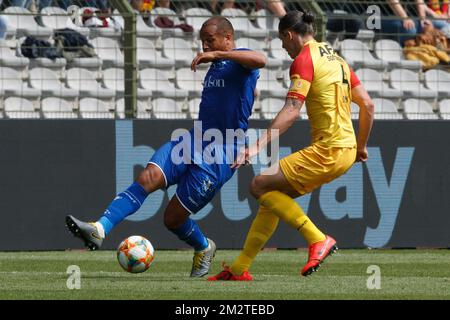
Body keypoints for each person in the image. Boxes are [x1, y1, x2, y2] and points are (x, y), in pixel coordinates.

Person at [65, 16, 266, 278]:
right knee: (147, 177)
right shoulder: (218, 63)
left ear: (227, 38)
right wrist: (217, 57)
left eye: (210, 40)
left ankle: (204, 247)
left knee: (172, 219)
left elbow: (261, 59)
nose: (205, 46)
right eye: (203, 41)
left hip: (222, 152)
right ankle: (99, 229)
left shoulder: (239, 59)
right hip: (194, 139)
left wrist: (216, 54)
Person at [208, 10, 374, 281]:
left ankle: (317, 239)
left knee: (258, 185)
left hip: (328, 148)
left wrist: (257, 146)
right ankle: (239, 268)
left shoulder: (304, 59)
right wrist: (361, 147)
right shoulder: (337, 59)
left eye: (282, 41)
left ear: (289, 35)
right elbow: (367, 104)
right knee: (270, 198)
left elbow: (292, 109)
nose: (283, 47)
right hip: (345, 149)